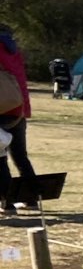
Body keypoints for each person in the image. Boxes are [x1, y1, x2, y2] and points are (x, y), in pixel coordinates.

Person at [0, 27, 37, 214]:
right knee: (20, 155)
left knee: (0, 157)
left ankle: (6, 203)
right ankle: (31, 198)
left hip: (1, 106)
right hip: (18, 107)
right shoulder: (13, 49)